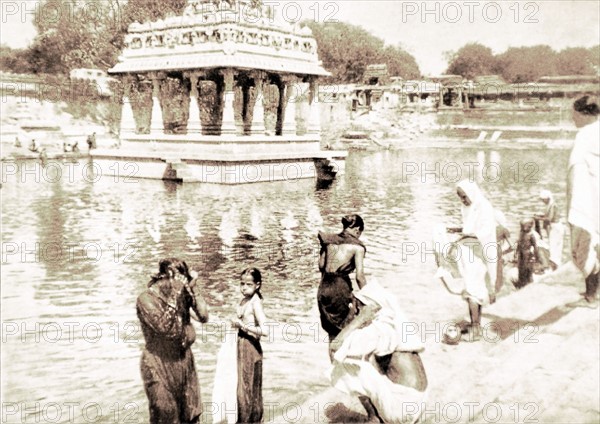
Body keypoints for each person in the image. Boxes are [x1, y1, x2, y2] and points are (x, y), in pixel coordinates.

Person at [329, 280, 428, 423]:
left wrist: (358, 321)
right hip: (419, 402)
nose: (355, 311)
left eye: (357, 307)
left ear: (368, 308)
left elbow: (335, 347)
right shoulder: (395, 319)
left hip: (402, 410)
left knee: (346, 364)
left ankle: (374, 418)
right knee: (366, 358)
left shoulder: (379, 330)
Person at [136, 258, 208, 424]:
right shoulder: (145, 299)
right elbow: (164, 327)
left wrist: (193, 288)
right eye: (175, 281)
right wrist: (176, 293)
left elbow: (203, 316)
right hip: (158, 363)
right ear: (163, 278)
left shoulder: (181, 293)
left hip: (183, 361)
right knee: (166, 415)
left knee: (191, 415)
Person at [449, 180, 500, 340]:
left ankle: (476, 330)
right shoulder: (468, 208)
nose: (463, 201)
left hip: (480, 253)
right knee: (476, 290)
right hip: (469, 253)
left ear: (471, 193)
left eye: (464, 197)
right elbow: (470, 228)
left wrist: (464, 235)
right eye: (460, 198)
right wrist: (457, 229)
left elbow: (485, 231)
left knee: (472, 290)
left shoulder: (483, 207)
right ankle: (475, 324)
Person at [566, 95, 600, 308]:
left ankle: (591, 296)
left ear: (583, 113)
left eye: (574, 114)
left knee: (586, 245)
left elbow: (574, 172)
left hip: (590, 199)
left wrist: (570, 206)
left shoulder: (585, 136)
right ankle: (594, 292)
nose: (572, 119)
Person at [317, 214, 367, 342]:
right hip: (340, 288)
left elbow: (321, 265)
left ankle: (334, 360)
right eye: (359, 233)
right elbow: (360, 277)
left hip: (324, 287)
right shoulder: (357, 247)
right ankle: (345, 359)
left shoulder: (329, 241)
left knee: (331, 331)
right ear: (357, 230)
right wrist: (369, 296)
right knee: (347, 329)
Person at [231, 268, 268, 424]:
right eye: (242, 284)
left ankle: (249, 420)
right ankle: (246, 420)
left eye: (248, 284)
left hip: (250, 347)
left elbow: (265, 331)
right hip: (242, 345)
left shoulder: (255, 303)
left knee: (247, 388)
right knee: (242, 386)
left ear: (257, 285)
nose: (244, 287)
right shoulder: (244, 300)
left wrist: (242, 326)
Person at [515, 218, 549, 288]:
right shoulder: (521, 233)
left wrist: (537, 257)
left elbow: (535, 246)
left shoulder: (531, 235)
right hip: (521, 253)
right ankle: (521, 281)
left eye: (523, 226)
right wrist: (516, 252)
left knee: (527, 268)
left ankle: (528, 282)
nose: (522, 228)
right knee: (521, 268)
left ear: (529, 226)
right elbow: (519, 243)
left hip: (527, 253)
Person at [534, 190, 564, 270]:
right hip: (554, 227)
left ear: (547, 198)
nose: (543, 201)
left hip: (555, 227)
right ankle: (556, 265)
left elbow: (550, 218)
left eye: (543, 200)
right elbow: (550, 216)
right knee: (554, 246)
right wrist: (541, 215)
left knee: (554, 247)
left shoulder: (552, 205)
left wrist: (539, 218)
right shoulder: (550, 204)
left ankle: (555, 265)